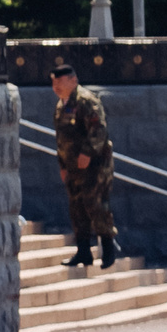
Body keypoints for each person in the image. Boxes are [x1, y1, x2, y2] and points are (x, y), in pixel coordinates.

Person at [49, 61, 117, 269]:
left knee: (96, 205)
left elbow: (99, 130)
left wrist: (87, 153)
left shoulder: (86, 101)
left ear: (73, 80)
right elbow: (61, 139)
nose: (56, 87)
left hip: (95, 165)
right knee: (77, 207)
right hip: (73, 168)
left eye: (60, 82)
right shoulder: (61, 105)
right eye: (54, 83)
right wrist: (62, 164)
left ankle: (108, 248)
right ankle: (83, 252)